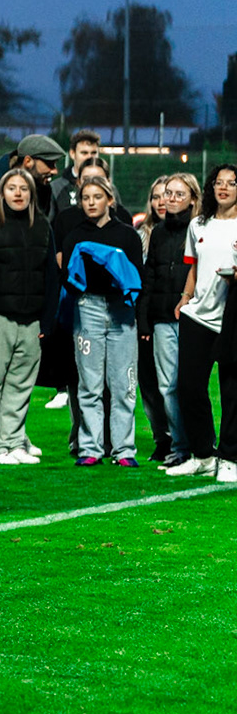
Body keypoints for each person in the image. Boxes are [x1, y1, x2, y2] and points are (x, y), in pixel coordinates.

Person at [0, 167, 58, 465]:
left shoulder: (43, 226)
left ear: (31, 193)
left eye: (24, 188)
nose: (18, 193)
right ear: (1, 193)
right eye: (12, 188)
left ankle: (13, 442)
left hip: (32, 321)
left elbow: (51, 277)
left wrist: (46, 321)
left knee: (20, 385)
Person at [60, 176, 145, 466]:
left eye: (97, 197)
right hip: (88, 309)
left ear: (110, 200)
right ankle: (91, 449)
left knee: (123, 385)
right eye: (86, 198)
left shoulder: (127, 235)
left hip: (122, 312)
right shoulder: (74, 235)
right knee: (89, 384)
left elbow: (138, 279)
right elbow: (69, 281)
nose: (91, 202)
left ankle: (124, 450)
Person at [167, 164, 237, 479]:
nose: (224, 188)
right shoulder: (198, 224)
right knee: (189, 387)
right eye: (218, 182)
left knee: (231, 391)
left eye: (232, 183)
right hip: (198, 315)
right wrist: (185, 297)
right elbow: (194, 266)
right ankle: (204, 454)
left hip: (232, 317)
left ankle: (231, 458)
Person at [139, 174, 196, 467]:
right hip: (162, 317)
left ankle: (201, 445)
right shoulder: (158, 232)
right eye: (167, 194)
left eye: (177, 194)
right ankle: (181, 446)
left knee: (190, 384)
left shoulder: (201, 229)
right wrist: (145, 319)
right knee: (167, 386)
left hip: (192, 317)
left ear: (193, 199)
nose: (170, 199)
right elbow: (150, 276)